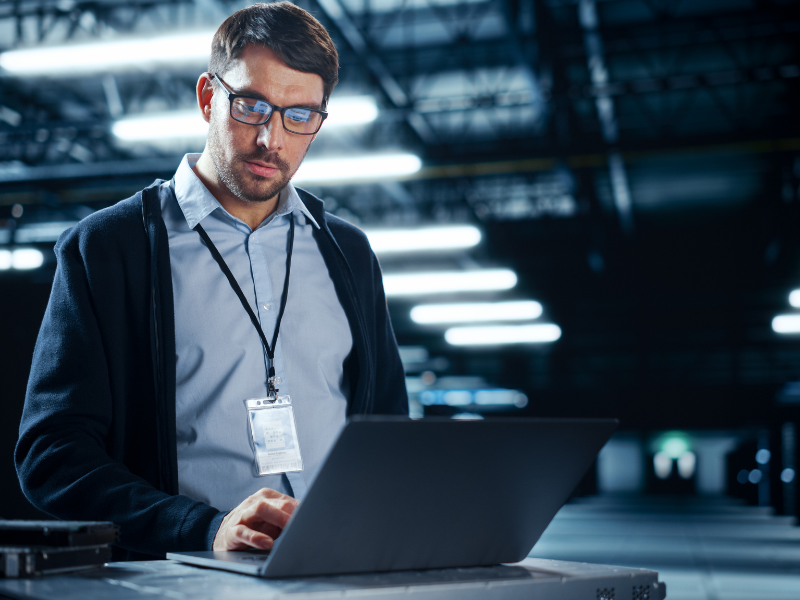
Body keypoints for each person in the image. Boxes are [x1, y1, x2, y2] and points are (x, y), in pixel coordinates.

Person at [15, 2, 408, 561]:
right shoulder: (109, 249)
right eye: (252, 106)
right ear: (207, 97)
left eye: (300, 116)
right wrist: (203, 528)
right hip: (184, 575)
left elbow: (388, 430)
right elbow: (50, 453)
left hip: (338, 568)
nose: (272, 138)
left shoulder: (347, 252)